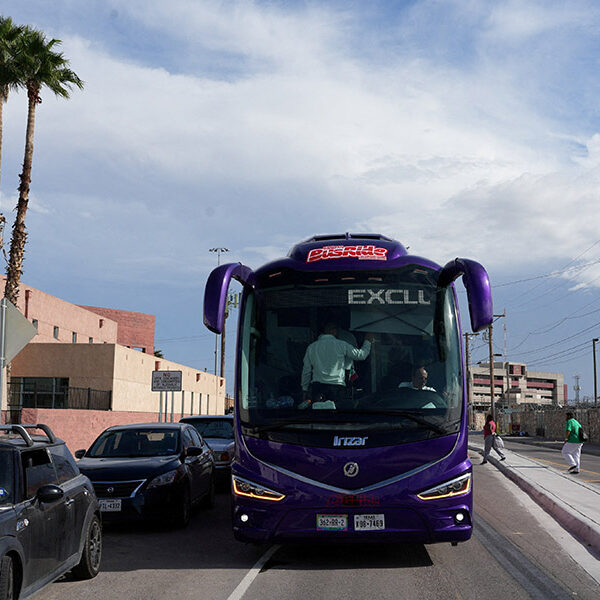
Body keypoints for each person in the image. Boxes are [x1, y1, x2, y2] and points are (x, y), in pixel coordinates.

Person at [300, 322, 374, 408]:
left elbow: (306, 371)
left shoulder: (311, 347)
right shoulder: (341, 344)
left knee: (318, 415)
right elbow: (361, 355)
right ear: (334, 331)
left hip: (318, 388)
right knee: (336, 417)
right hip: (336, 389)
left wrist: (304, 389)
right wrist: (368, 341)